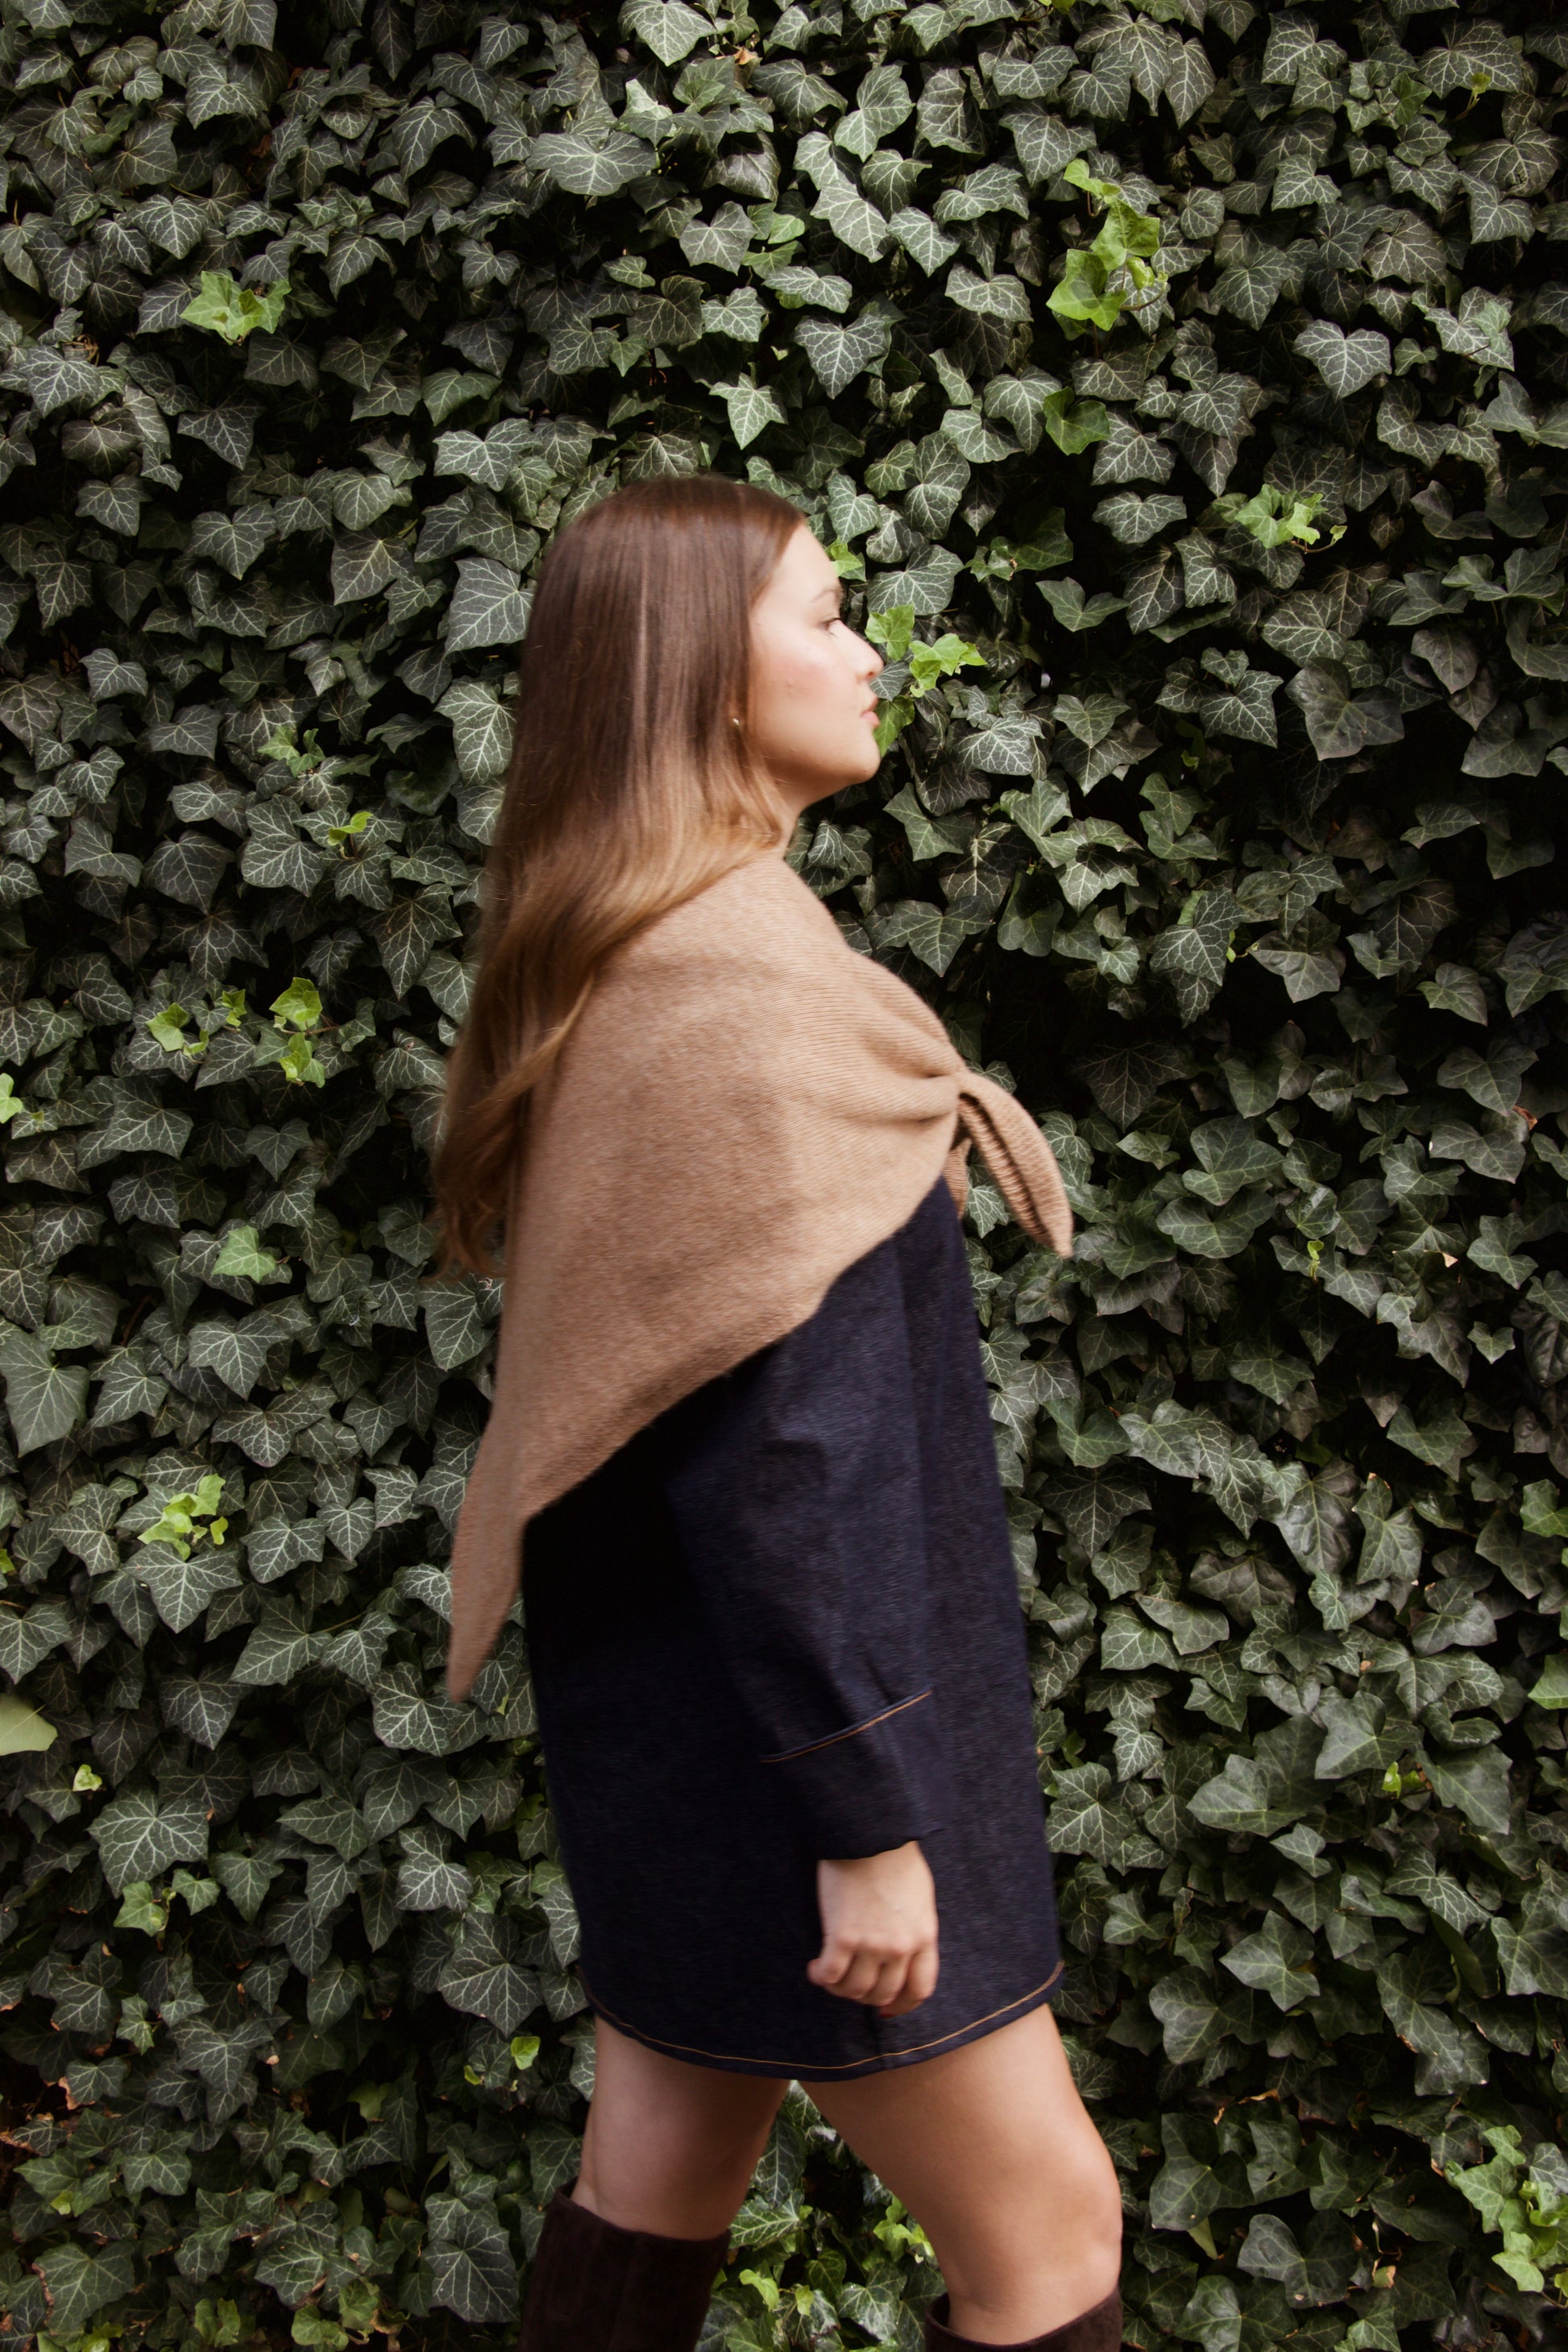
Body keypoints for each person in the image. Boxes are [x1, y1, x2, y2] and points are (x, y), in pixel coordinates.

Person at [430, 473, 1123, 2352]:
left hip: (679, 1745)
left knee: (654, 2174)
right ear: (701, 681)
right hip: (804, 1766)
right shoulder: (733, 995)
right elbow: (787, 1468)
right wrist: (870, 1814)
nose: (870, 651)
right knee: (1050, 2235)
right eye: (824, 617)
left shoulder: (645, 959)